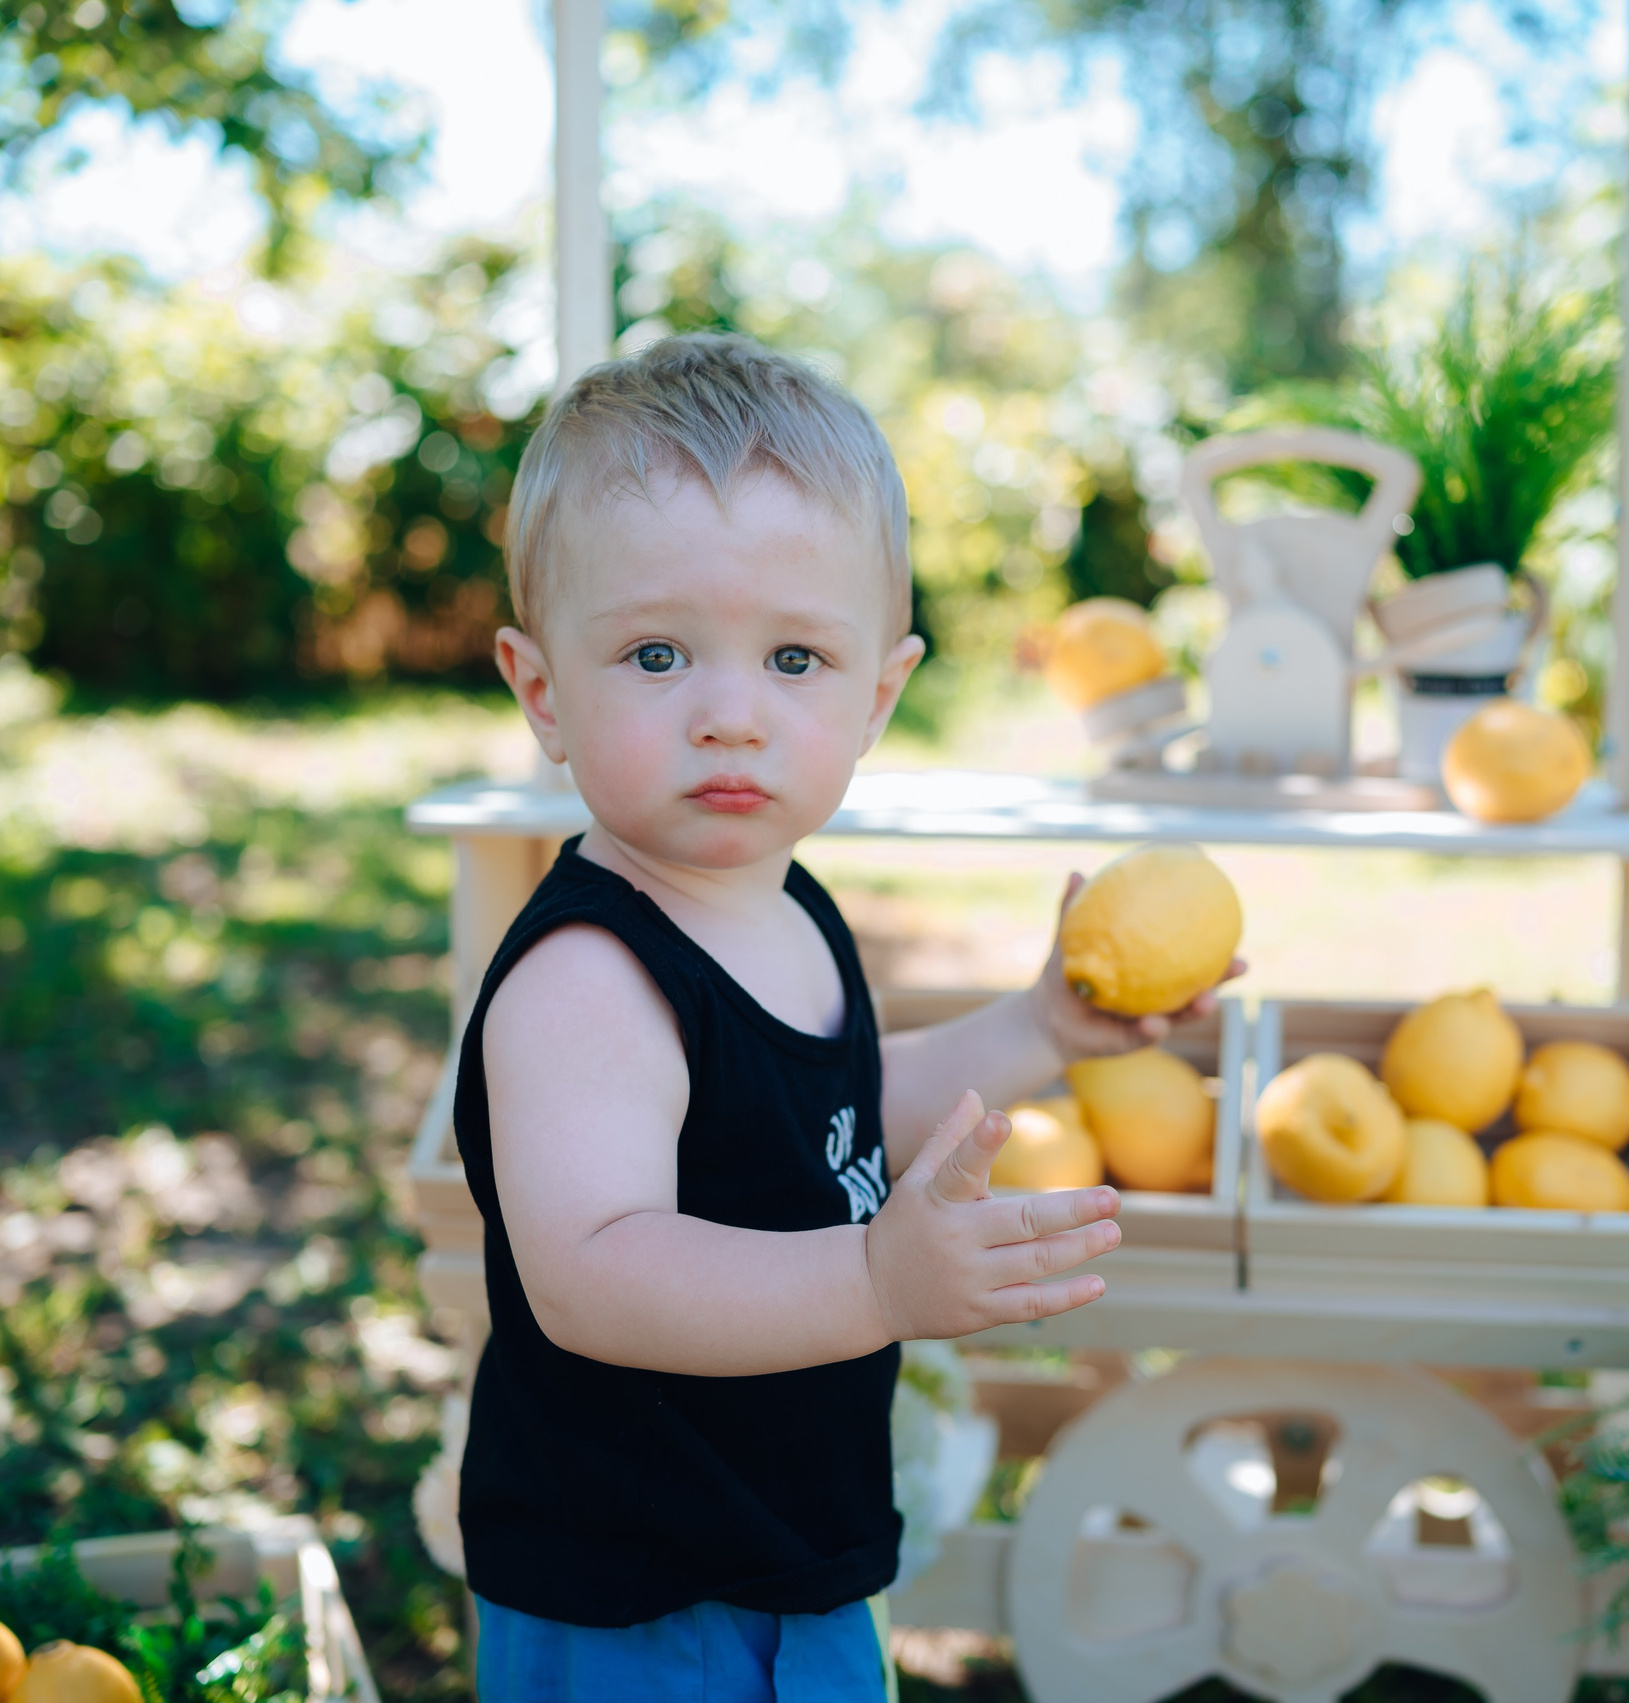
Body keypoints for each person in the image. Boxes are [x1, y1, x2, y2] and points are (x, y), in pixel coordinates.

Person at [457, 332, 1236, 1700]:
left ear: (879, 696)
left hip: (784, 1551)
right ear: (542, 695)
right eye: (655, 653)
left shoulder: (785, 904)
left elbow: (830, 1111)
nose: (731, 715)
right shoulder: (589, 979)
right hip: (644, 1594)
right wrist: (875, 1283)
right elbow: (591, 1272)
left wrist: (1041, 1028)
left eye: (796, 662)